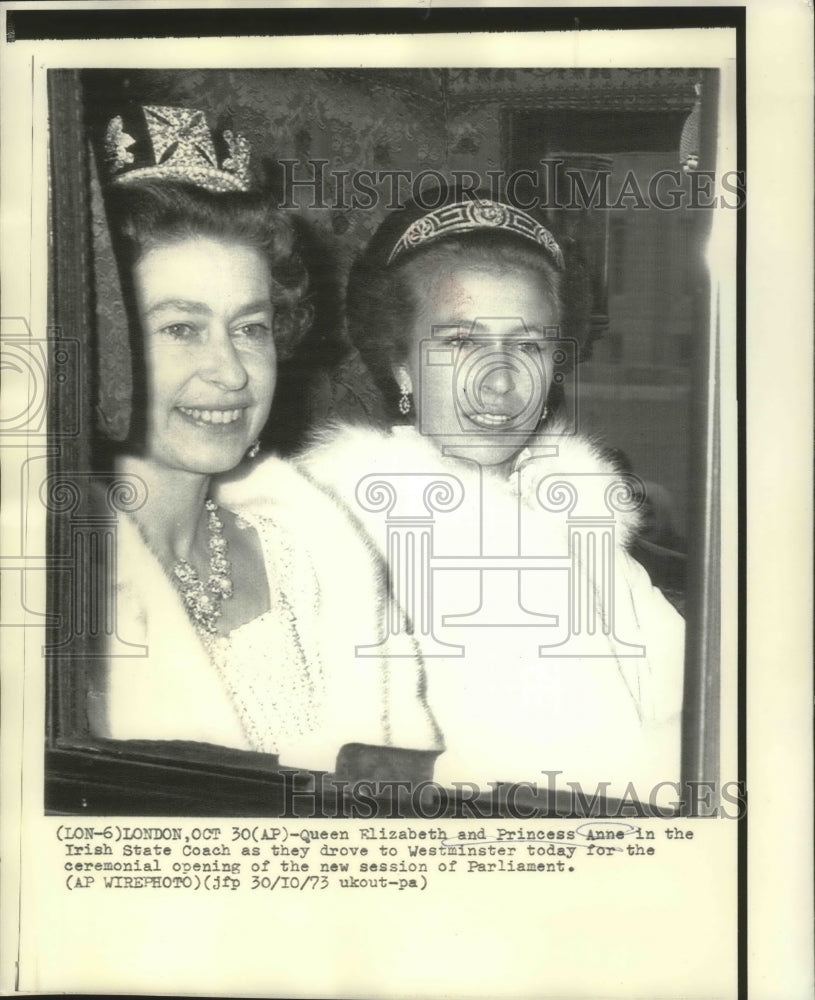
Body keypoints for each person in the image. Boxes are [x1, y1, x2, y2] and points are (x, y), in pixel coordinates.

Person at [87, 105, 441, 776]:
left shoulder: (317, 555)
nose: (230, 371)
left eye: (250, 328)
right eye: (181, 329)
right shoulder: (57, 584)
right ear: (106, 343)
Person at [298, 191, 686, 796]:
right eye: (460, 343)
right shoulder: (346, 540)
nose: (499, 381)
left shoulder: (574, 519)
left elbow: (700, 703)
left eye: (528, 345)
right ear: (400, 366)